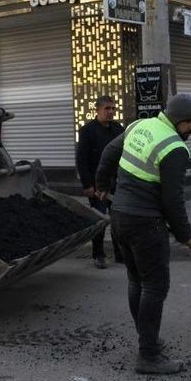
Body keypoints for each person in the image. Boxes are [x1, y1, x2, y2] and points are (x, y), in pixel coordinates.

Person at [94, 94, 191, 375]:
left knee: (137, 281)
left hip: (120, 217)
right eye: (190, 123)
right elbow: (172, 200)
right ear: (178, 120)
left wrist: (101, 185)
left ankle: (147, 340)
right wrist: (184, 234)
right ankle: (148, 356)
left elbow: (109, 153)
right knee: (155, 286)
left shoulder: (139, 125)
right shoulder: (175, 147)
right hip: (145, 224)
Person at [76, 95, 124, 269]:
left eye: (113, 108)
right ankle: (98, 254)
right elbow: (82, 159)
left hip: (116, 183)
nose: (111, 112)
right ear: (97, 110)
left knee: (118, 220)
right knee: (100, 220)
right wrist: (87, 185)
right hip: (97, 185)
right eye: (107, 108)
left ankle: (120, 254)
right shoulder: (87, 131)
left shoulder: (118, 129)